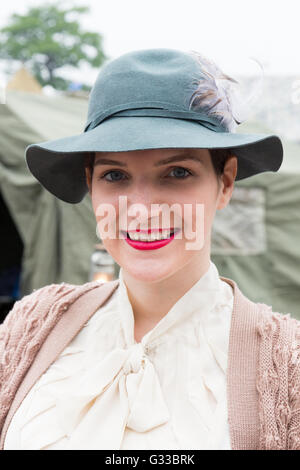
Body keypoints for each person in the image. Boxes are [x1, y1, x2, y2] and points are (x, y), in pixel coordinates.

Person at [0, 48, 300, 450]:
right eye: (115, 175)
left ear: (225, 182)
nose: (140, 210)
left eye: (178, 173)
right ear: (90, 184)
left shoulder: (287, 363)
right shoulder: (31, 326)